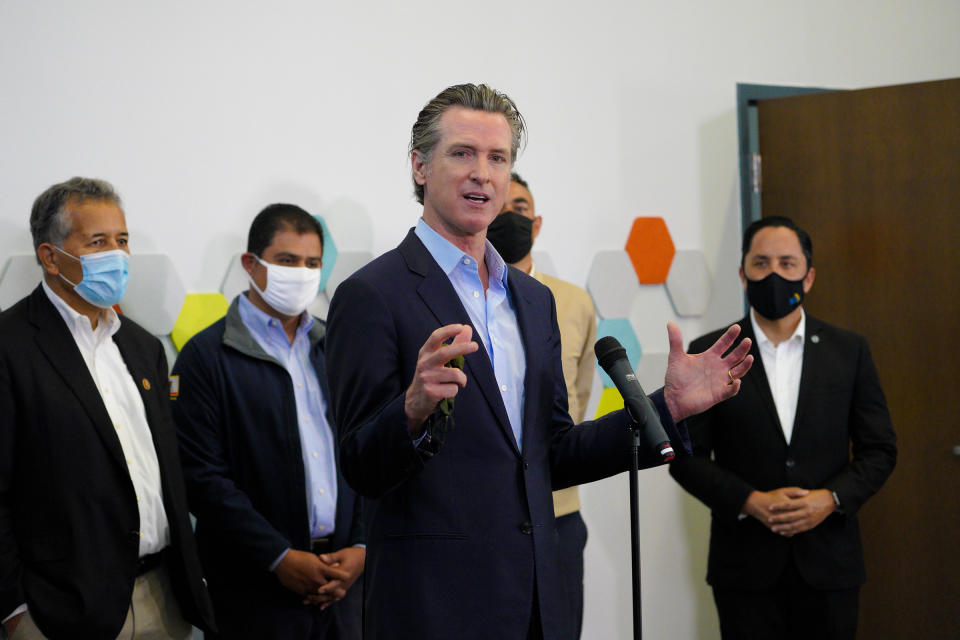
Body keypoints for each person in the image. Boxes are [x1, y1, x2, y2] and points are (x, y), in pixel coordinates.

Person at [323, 83, 754, 640]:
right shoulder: (372, 294)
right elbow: (359, 465)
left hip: (534, 600)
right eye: (462, 153)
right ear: (419, 166)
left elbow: (553, 453)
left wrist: (666, 407)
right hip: (432, 605)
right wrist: (411, 410)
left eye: (497, 158)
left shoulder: (532, 300)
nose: (483, 172)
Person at [0, 177, 215, 639]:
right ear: (50, 257)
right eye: (97, 242)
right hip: (60, 610)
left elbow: (167, 469)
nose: (116, 254)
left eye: (122, 240)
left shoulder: (141, 346)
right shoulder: (10, 345)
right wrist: (14, 611)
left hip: (163, 597)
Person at [669, 215, 897, 640]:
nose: (774, 274)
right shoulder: (711, 353)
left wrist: (829, 500)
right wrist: (748, 500)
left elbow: (879, 450)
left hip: (831, 565)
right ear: (742, 274)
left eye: (787, 264)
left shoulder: (849, 351)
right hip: (745, 568)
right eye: (761, 263)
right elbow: (684, 458)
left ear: (808, 277)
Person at [170, 204, 364, 639]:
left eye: (312, 263)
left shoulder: (338, 347)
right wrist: (278, 557)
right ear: (250, 265)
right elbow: (201, 478)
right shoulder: (206, 357)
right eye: (286, 261)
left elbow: (368, 450)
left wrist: (363, 548)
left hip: (346, 587)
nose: (301, 273)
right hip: (254, 592)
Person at [487, 172, 596, 639]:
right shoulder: (452, 296)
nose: (510, 216)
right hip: (486, 513)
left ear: (537, 222)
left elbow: (578, 396)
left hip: (558, 511)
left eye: (521, 207)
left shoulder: (572, 301)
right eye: (500, 206)